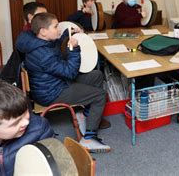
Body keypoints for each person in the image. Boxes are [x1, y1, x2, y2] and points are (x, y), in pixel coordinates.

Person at [15, 12, 111, 153]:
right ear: (43, 31)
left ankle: (86, 115)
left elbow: (55, 44)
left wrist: (67, 34)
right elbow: (70, 73)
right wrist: (74, 49)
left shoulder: (39, 42)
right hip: (52, 93)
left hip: (52, 83)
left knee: (96, 75)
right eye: (55, 27)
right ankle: (89, 139)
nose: (58, 29)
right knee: (100, 95)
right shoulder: (43, 54)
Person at [0, 78, 54, 175]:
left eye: (25, 113)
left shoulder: (39, 127)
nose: (26, 122)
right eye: (15, 123)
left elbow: (53, 157)